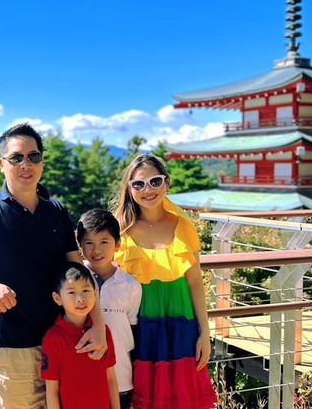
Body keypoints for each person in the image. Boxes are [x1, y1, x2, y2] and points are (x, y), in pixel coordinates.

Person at [0, 123, 107, 409]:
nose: (25, 164)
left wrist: (97, 324)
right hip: (13, 349)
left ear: (41, 163)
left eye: (33, 157)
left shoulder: (57, 211)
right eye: (16, 158)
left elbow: (79, 275)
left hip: (63, 338)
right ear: (2, 165)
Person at [112, 154, 217, 409]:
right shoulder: (118, 227)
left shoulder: (183, 225)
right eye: (139, 184)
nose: (147, 190)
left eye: (155, 182)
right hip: (139, 326)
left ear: (166, 183)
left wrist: (205, 332)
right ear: (129, 188)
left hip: (181, 323)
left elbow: (194, 283)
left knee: (183, 398)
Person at [77, 209, 141, 409]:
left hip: (121, 376)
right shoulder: (73, 281)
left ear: (118, 244)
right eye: (89, 243)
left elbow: (132, 330)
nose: (97, 250)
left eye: (104, 242)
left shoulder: (130, 285)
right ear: (80, 245)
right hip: (82, 377)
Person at [41, 262, 119, 409]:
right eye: (71, 292)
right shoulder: (53, 338)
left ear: (95, 293)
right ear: (57, 298)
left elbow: (111, 378)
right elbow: (52, 391)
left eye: (85, 290)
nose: (80, 298)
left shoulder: (103, 331)